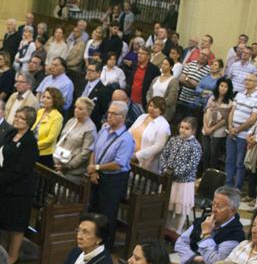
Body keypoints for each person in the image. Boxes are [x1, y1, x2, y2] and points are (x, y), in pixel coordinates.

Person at [172, 187, 245, 264]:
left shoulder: (235, 235)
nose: (214, 209)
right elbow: (180, 243)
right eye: (213, 204)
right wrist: (194, 258)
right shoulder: (206, 220)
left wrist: (206, 234)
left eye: (219, 206)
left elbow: (215, 261)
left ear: (232, 210)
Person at [0, 106, 38, 264]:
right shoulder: (11, 133)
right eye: (16, 116)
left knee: (15, 225)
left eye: (21, 118)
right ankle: (2, 252)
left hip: (19, 190)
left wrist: (1, 178)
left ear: (29, 122)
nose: (16, 119)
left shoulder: (30, 141)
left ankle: (13, 255)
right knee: (3, 222)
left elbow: (22, 168)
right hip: (4, 186)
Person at [86, 101, 134, 250]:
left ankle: (105, 246)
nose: (109, 116)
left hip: (114, 179)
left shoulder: (126, 139)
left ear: (123, 117)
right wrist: (93, 170)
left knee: (107, 213)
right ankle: (91, 241)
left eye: (114, 114)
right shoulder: (104, 129)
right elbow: (94, 150)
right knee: (93, 208)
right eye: (109, 112)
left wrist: (97, 167)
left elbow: (119, 163)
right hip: (97, 175)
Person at [159, 117, 202, 232]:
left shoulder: (195, 145)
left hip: (184, 182)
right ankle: (165, 229)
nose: (183, 130)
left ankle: (177, 232)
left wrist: (176, 173)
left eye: (187, 128)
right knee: (168, 206)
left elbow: (191, 165)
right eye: (182, 127)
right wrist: (164, 168)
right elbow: (164, 154)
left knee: (180, 209)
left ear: (193, 131)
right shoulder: (174, 140)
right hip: (170, 179)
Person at [53, 97, 95, 180]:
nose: (76, 110)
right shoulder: (71, 121)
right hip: (59, 163)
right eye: (75, 107)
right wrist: (56, 160)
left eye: (80, 109)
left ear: (88, 112)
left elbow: (85, 153)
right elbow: (61, 140)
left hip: (73, 171)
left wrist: (69, 166)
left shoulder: (90, 129)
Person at [128, 96, 170, 173]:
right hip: (128, 154)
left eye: (155, 107)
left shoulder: (164, 125)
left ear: (161, 110)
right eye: (150, 105)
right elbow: (130, 131)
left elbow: (158, 146)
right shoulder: (142, 116)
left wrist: (137, 155)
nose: (151, 108)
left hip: (144, 162)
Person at [200, 77, 233, 171]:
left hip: (218, 131)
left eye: (225, 86)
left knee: (213, 154)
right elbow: (206, 112)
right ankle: (202, 174)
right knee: (205, 152)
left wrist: (212, 128)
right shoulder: (212, 97)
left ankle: (211, 176)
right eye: (221, 85)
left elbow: (224, 120)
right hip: (206, 129)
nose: (223, 88)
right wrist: (206, 126)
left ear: (228, 89)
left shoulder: (230, 103)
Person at [32, 87, 64, 166]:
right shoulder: (40, 111)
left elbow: (50, 139)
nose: (45, 100)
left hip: (44, 154)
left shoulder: (57, 117)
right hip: (32, 148)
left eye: (48, 98)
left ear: (55, 100)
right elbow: (33, 129)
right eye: (44, 97)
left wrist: (33, 145)